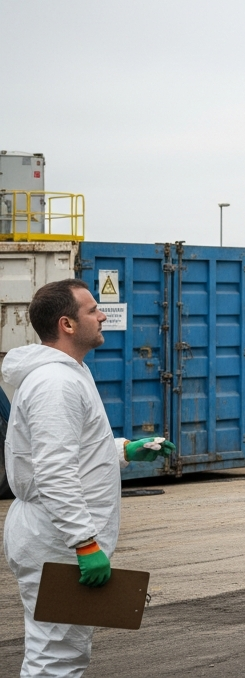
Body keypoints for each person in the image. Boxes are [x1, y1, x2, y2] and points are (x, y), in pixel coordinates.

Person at [3, 278, 175, 678]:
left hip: (56, 535)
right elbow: (54, 471)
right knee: (55, 658)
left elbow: (69, 453)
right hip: (57, 539)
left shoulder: (69, 373)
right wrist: (84, 543)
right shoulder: (56, 383)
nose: (102, 316)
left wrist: (122, 451)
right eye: (92, 310)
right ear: (66, 324)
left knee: (62, 651)